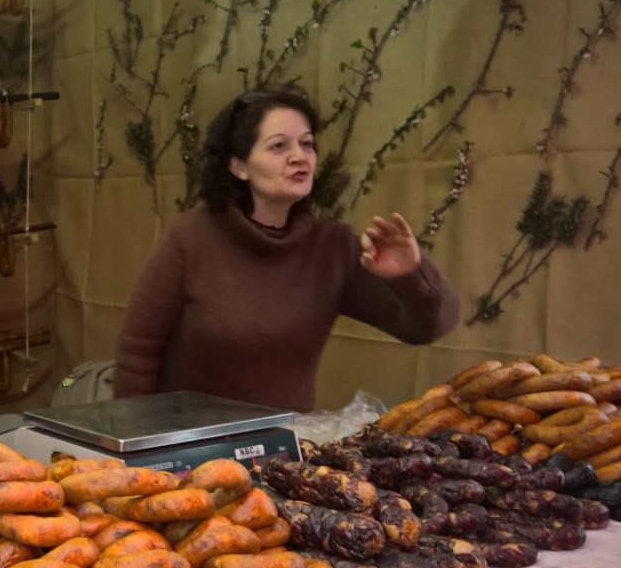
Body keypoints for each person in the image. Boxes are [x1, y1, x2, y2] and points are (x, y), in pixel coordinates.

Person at [114, 89, 459, 413]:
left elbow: (425, 329)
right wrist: (133, 454)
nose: (300, 157)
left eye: (307, 144)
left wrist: (410, 276)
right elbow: (137, 353)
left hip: (282, 457)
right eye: (279, 146)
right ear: (240, 166)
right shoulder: (191, 237)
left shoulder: (333, 247)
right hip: (187, 452)